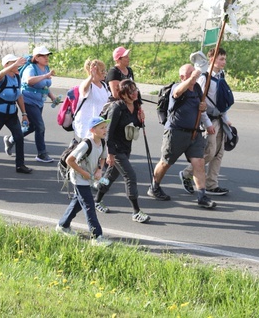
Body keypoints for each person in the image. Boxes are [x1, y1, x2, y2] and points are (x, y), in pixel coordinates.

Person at [148, 64, 217, 209]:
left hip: (194, 133)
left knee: (198, 163)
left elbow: (201, 107)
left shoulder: (197, 89)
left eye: (194, 72)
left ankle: (202, 196)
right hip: (176, 132)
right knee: (166, 162)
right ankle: (154, 187)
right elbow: (177, 93)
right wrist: (191, 78)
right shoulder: (177, 87)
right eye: (190, 73)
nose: (195, 75)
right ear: (182, 77)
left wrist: (205, 115)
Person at [94, 80, 151, 223]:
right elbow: (109, 133)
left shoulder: (136, 105)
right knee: (130, 176)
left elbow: (135, 125)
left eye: (135, 89)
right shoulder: (117, 108)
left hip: (126, 147)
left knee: (110, 176)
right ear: (123, 95)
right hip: (116, 149)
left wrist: (140, 119)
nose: (135, 93)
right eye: (131, 91)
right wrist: (110, 154)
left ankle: (96, 201)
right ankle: (136, 211)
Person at [180, 48, 232, 196]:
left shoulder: (221, 75)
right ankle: (186, 173)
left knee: (219, 153)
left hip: (220, 119)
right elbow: (200, 102)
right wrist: (207, 123)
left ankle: (211, 184)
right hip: (208, 119)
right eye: (221, 59)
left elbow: (223, 100)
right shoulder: (205, 77)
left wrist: (226, 119)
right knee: (210, 151)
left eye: (224, 59)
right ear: (211, 59)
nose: (224, 62)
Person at [56, 116, 112, 245]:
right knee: (89, 206)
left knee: (77, 203)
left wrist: (99, 169)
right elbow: (69, 160)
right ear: (93, 130)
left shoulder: (102, 142)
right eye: (102, 128)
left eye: (105, 127)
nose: (105, 130)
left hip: (88, 178)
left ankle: (63, 225)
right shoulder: (86, 144)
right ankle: (96, 237)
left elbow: (103, 158)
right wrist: (84, 173)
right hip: (79, 178)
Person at [5, 46, 58, 163]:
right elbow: (29, 80)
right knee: (40, 126)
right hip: (28, 101)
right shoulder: (31, 68)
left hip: (39, 102)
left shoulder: (45, 68)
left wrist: (53, 97)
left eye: (47, 55)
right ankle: (42, 154)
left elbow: (45, 85)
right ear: (37, 57)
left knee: (32, 127)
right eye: (43, 55)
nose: (46, 58)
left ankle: (11, 139)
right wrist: (45, 75)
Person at [73, 59, 110, 140]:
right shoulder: (87, 84)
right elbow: (84, 90)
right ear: (94, 72)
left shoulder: (104, 85)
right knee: (86, 150)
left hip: (99, 125)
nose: (105, 73)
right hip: (86, 126)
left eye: (105, 70)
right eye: (102, 71)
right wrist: (91, 76)